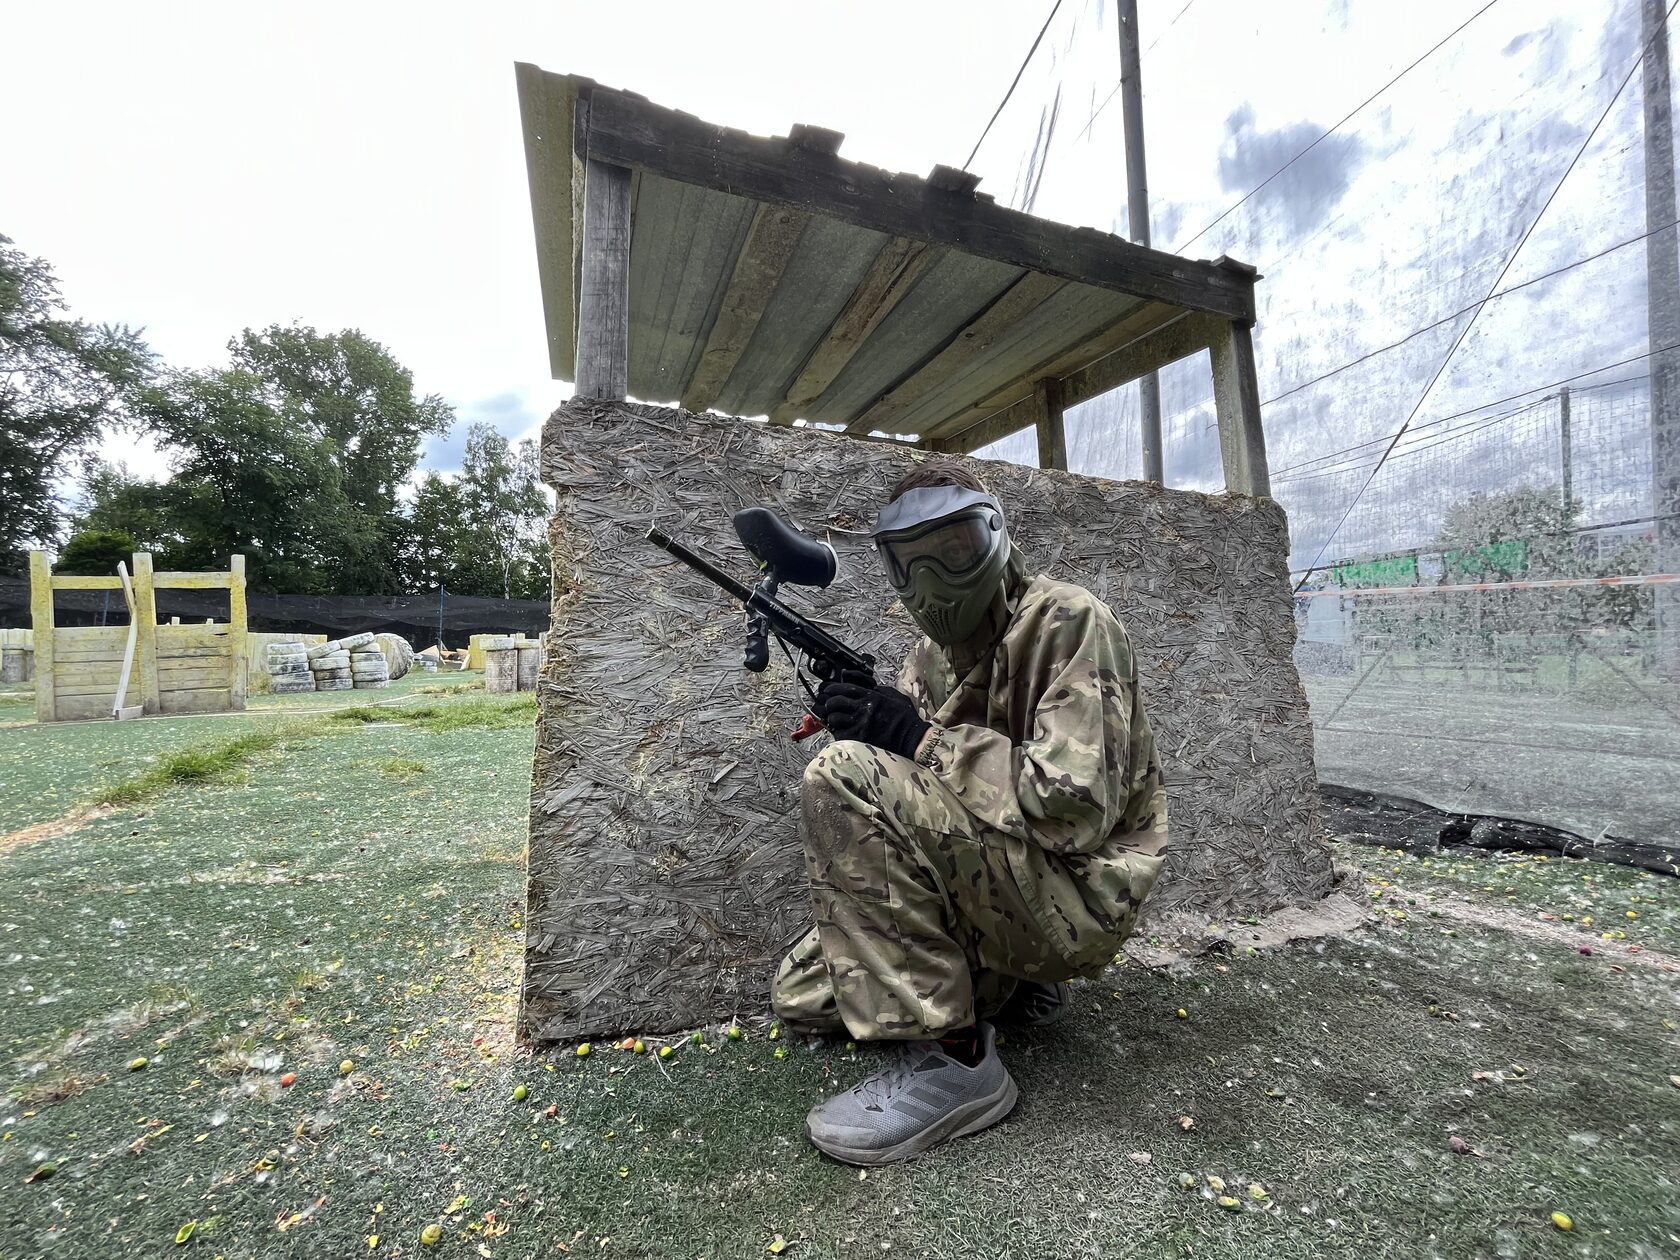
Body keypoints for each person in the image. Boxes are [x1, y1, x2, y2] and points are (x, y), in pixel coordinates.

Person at [770, 461, 1169, 1166]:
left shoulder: (1069, 621)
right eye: (909, 560)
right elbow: (919, 807)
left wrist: (914, 739)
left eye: (954, 549)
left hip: (1075, 896)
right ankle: (1011, 987)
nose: (934, 579)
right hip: (1005, 891)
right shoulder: (928, 661)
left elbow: (1072, 811)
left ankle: (955, 1063)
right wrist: (869, 724)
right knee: (803, 992)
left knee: (837, 778)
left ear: (994, 537)